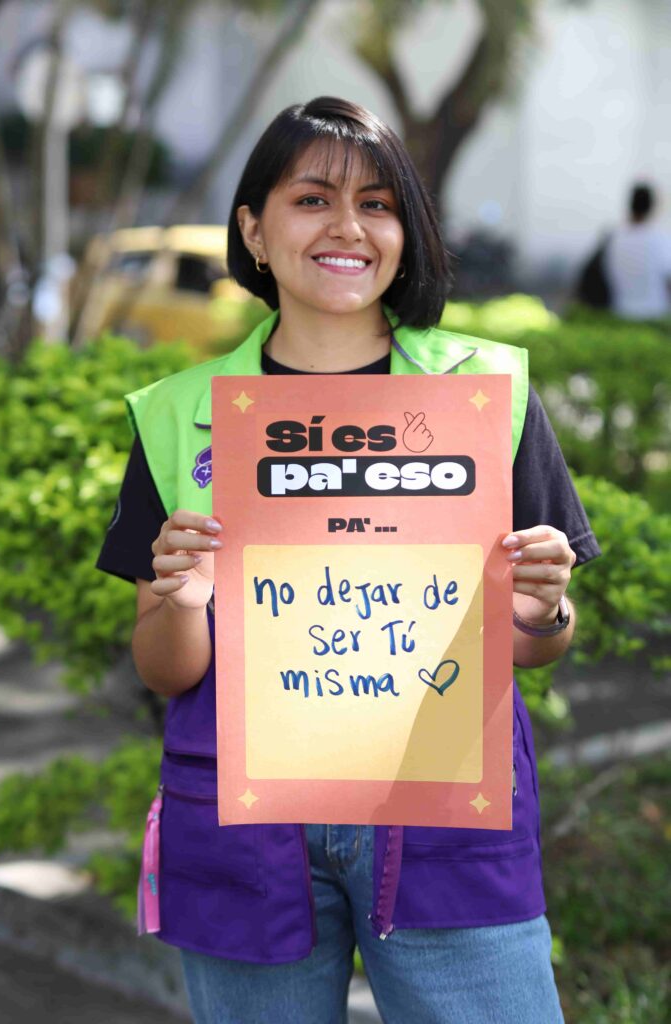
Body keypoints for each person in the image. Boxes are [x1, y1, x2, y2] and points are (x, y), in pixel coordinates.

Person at [97, 97, 600, 1024]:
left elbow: (535, 645)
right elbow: (165, 669)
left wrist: (542, 612)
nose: (347, 228)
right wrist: (180, 601)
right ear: (253, 229)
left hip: (445, 813)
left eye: (377, 204)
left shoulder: (483, 394)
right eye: (311, 199)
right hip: (244, 821)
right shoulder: (181, 413)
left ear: (406, 231)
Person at [604, 183, 671, 320]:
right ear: (652, 207)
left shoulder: (615, 239)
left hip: (621, 313)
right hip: (655, 315)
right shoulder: (660, 239)